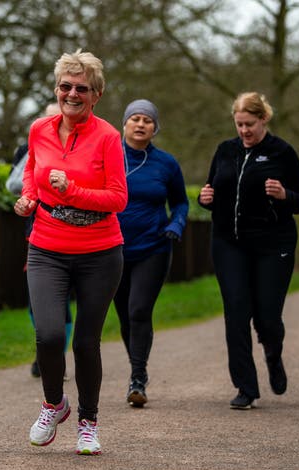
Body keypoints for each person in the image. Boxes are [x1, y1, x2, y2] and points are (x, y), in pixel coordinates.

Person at [14, 49, 127, 455]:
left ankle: (88, 423)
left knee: (85, 342)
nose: (72, 93)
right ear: (56, 89)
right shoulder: (39, 130)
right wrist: (29, 197)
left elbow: (118, 198)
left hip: (100, 251)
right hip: (46, 246)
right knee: (47, 334)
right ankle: (54, 404)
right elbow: (31, 173)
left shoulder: (109, 137)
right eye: (65, 86)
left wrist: (72, 191)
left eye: (82, 88)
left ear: (96, 95)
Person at [197, 92, 299, 410]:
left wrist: (285, 194)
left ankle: (273, 355)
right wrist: (204, 199)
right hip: (228, 243)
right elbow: (211, 190)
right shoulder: (225, 150)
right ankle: (245, 387)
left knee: (267, 318)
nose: (244, 131)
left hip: (273, 245)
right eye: (239, 124)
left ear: (264, 119)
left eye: (250, 124)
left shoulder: (282, 152)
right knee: (236, 311)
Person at [113, 99, 189, 408]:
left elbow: (181, 202)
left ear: (155, 127)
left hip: (153, 247)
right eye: (135, 119)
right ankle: (138, 369)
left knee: (139, 309)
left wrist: (177, 224)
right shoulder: (108, 156)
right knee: (124, 315)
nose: (141, 124)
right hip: (112, 248)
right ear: (125, 124)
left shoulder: (166, 164)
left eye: (147, 120)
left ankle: (137, 377)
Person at [6, 103, 73, 378]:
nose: (51, 123)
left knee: (64, 297)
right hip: (36, 232)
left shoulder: (77, 147)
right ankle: (44, 350)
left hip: (74, 233)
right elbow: (13, 185)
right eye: (45, 119)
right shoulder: (26, 149)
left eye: (54, 118)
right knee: (39, 299)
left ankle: (58, 354)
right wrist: (37, 146)